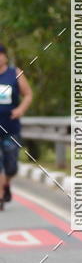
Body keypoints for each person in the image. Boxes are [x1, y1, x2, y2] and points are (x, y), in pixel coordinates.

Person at [0, 43, 33, 210]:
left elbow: (28, 94)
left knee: (11, 166)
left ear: (5, 56)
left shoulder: (15, 73)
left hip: (11, 127)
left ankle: (5, 184)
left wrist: (20, 109)